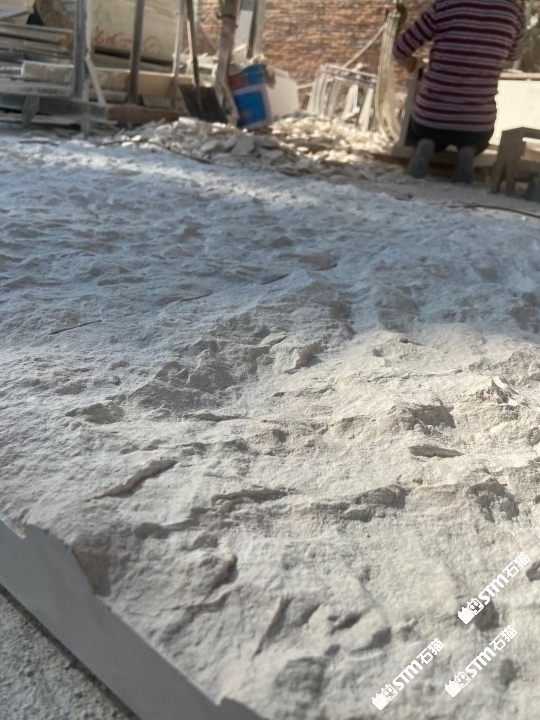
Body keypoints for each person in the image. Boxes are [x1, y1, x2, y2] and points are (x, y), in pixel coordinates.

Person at [393, 0, 526, 182]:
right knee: (478, 138)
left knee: (422, 127)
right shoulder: (513, 12)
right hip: (477, 122)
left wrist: (413, 64)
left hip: (431, 117)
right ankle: (469, 150)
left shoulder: (445, 6)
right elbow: (514, 55)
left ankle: (426, 142)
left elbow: (400, 49)